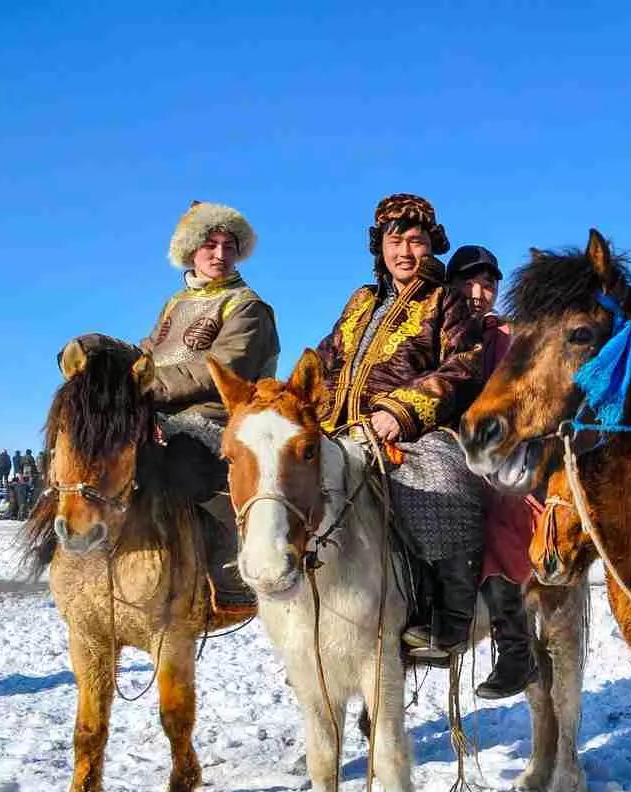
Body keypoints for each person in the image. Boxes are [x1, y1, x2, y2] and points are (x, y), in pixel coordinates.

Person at [313, 194, 484, 665]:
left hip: (414, 430)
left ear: (432, 246)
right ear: (379, 247)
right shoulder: (359, 301)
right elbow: (326, 361)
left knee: (443, 483)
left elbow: (462, 367)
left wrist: (399, 411)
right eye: (395, 240)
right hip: (341, 428)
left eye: (416, 241)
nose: (405, 251)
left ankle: (450, 619)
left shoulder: (445, 300)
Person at [138, 201, 280, 611]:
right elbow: (149, 353)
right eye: (210, 245)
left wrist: (148, 390)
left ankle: (231, 560)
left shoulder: (247, 306)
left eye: (229, 246)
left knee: (182, 461)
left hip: (221, 414)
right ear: (190, 251)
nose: (220, 254)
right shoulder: (175, 303)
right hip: (165, 408)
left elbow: (220, 369)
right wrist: (107, 359)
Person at [447, 245, 541, 698]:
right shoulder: (437, 327)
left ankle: (516, 647)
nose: (479, 293)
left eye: (488, 285)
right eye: (468, 283)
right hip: (439, 441)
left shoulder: (508, 337)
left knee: (503, 517)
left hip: (499, 453)